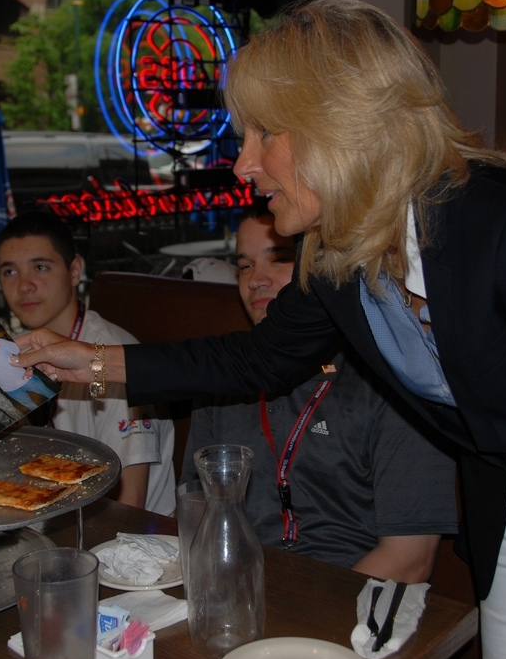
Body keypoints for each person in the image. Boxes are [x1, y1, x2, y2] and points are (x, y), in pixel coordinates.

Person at [11, 0, 506, 659]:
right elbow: (258, 358)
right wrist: (90, 361)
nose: (243, 163)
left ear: (338, 121)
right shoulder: (338, 254)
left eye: (263, 134)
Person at [182, 205, 456, 581]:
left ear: (324, 269)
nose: (255, 280)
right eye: (244, 266)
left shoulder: (396, 380)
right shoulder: (223, 380)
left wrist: (305, 628)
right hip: (239, 587)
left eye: (277, 259)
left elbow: (409, 559)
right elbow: (195, 514)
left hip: (350, 598)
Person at [0, 211, 176, 516]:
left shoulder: (114, 359)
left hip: (129, 538)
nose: (24, 285)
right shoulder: (16, 352)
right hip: (51, 514)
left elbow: (128, 506)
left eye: (40, 267)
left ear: (75, 270)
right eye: (9, 272)